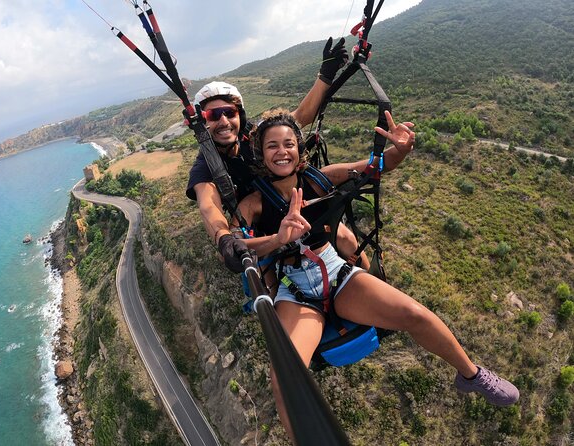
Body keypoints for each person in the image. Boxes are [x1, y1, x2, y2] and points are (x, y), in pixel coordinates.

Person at [234, 110, 519, 439]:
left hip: (335, 271)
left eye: (288, 144)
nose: (282, 151)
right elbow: (236, 244)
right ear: (261, 153)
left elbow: (374, 166)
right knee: (285, 374)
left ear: (299, 148)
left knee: (414, 313)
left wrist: (400, 149)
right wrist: (278, 238)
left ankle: (471, 375)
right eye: (272, 146)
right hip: (295, 289)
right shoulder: (253, 204)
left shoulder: (320, 178)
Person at [185, 37, 372, 272]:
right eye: (213, 116)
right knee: (268, 280)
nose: (223, 121)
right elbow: (208, 205)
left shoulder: (255, 135)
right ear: (203, 122)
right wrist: (224, 238)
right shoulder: (206, 165)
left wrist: (325, 75)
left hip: (292, 201)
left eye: (229, 112)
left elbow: (299, 118)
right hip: (261, 223)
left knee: (346, 239)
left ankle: (375, 281)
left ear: (239, 115)